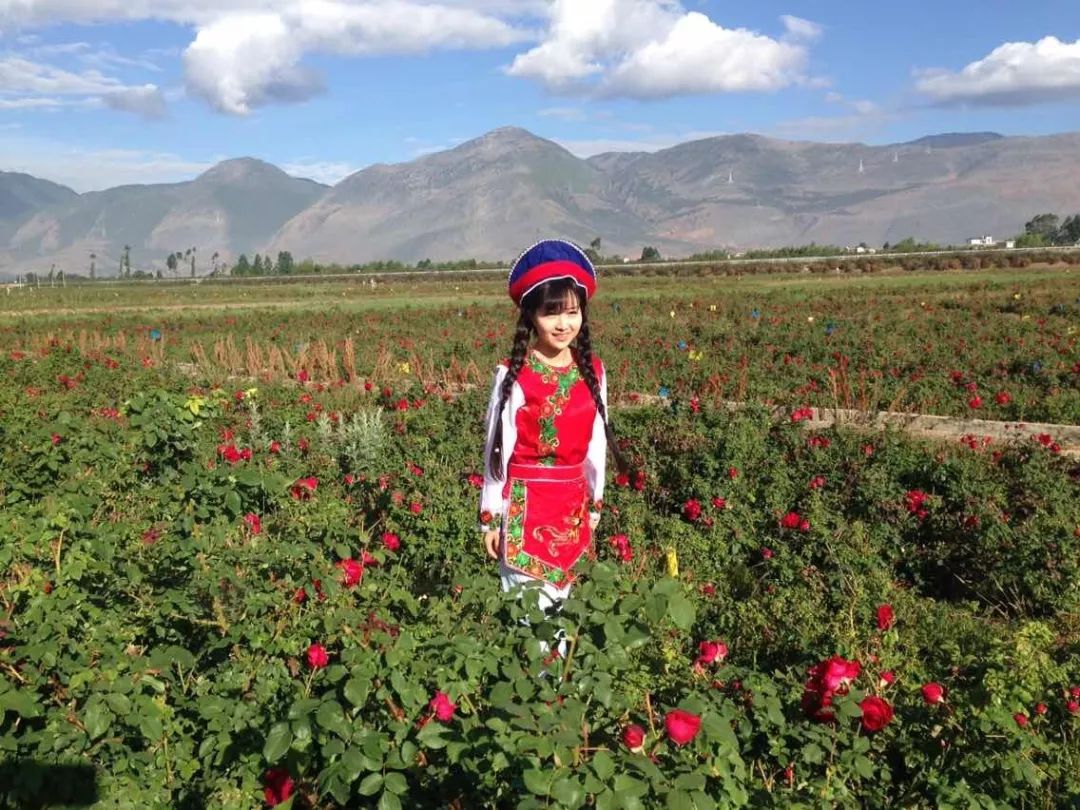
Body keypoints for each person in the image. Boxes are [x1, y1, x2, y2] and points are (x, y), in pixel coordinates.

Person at [478, 239, 626, 654]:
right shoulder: (514, 375)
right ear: (531, 316)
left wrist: (596, 505)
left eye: (572, 311)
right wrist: (489, 518)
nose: (564, 323)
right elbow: (496, 453)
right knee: (532, 628)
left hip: (574, 511)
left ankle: (563, 707)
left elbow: (596, 445)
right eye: (551, 311)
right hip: (525, 512)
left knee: (570, 621)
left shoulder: (593, 371)